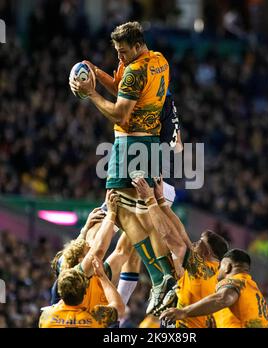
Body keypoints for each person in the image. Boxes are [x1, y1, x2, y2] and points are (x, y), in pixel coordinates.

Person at [70, 21, 177, 314]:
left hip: (129, 147)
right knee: (139, 211)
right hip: (151, 144)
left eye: (123, 52)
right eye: (116, 52)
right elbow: (122, 86)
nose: (119, 58)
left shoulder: (134, 70)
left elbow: (120, 110)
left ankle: (157, 276)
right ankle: (163, 275)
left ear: (137, 45)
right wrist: (96, 70)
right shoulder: (158, 61)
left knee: (117, 207)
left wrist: (91, 92)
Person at [132, 177, 229, 326]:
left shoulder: (199, 268)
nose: (195, 242)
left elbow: (169, 236)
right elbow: (182, 235)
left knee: (153, 233)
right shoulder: (211, 269)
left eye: (200, 242)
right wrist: (162, 202)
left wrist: (150, 200)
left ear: (207, 253)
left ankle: (160, 284)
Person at [159, 249, 268, 328]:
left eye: (220, 266)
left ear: (228, 266)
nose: (218, 270)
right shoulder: (253, 291)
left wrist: (184, 312)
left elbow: (222, 298)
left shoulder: (236, 281)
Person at [39, 256, 125, 328]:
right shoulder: (96, 317)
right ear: (85, 293)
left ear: (60, 292)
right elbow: (119, 307)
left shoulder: (46, 316)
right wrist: (102, 276)